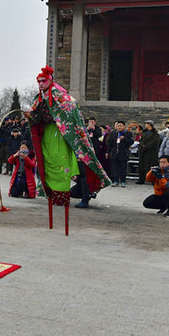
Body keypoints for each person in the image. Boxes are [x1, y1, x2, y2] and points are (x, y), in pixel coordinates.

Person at [28, 66, 111, 230]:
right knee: (49, 161)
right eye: (38, 81)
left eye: (43, 81)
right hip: (51, 134)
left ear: (50, 80)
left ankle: (86, 197)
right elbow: (37, 114)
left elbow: (72, 109)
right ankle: (53, 194)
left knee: (82, 164)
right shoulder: (40, 97)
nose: (40, 84)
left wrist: (62, 122)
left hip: (68, 135)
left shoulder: (60, 95)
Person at [106, 121, 132, 187]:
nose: (119, 127)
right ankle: (115, 180)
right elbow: (110, 144)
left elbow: (131, 142)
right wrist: (107, 152)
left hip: (123, 154)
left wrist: (124, 139)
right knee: (114, 168)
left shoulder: (128, 133)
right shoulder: (113, 134)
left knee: (123, 168)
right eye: (118, 126)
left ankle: (123, 181)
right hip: (115, 154)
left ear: (124, 126)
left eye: (121, 126)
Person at [136, 120, 159, 185]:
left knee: (151, 165)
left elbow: (154, 142)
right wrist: (142, 145)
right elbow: (140, 140)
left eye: (146, 124)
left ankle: (153, 179)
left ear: (149, 124)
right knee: (142, 165)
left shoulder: (155, 133)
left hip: (151, 152)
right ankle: (141, 179)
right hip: (143, 151)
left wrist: (146, 146)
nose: (145, 125)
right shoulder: (144, 133)